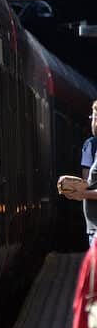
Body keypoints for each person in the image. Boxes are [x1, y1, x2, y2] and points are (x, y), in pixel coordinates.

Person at [59, 101, 97, 244]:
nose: (92, 122)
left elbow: (87, 182)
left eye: (93, 117)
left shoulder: (90, 145)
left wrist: (81, 192)